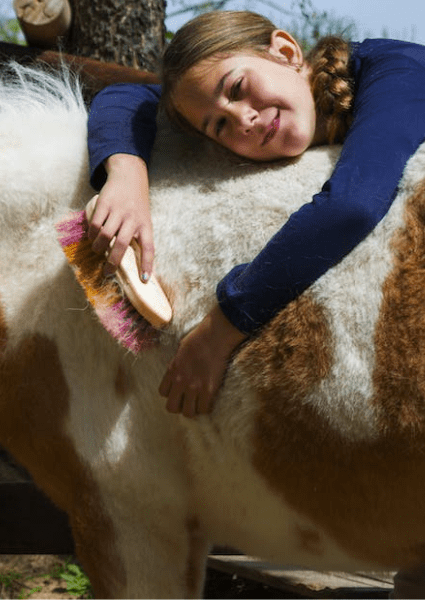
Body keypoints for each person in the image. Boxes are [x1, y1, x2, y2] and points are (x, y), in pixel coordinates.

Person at [86, 10, 425, 418]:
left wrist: (219, 331)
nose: (243, 118)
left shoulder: (398, 72)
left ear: (285, 51)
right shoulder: (287, 100)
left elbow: (352, 205)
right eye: (219, 126)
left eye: (239, 87)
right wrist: (126, 176)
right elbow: (127, 96)